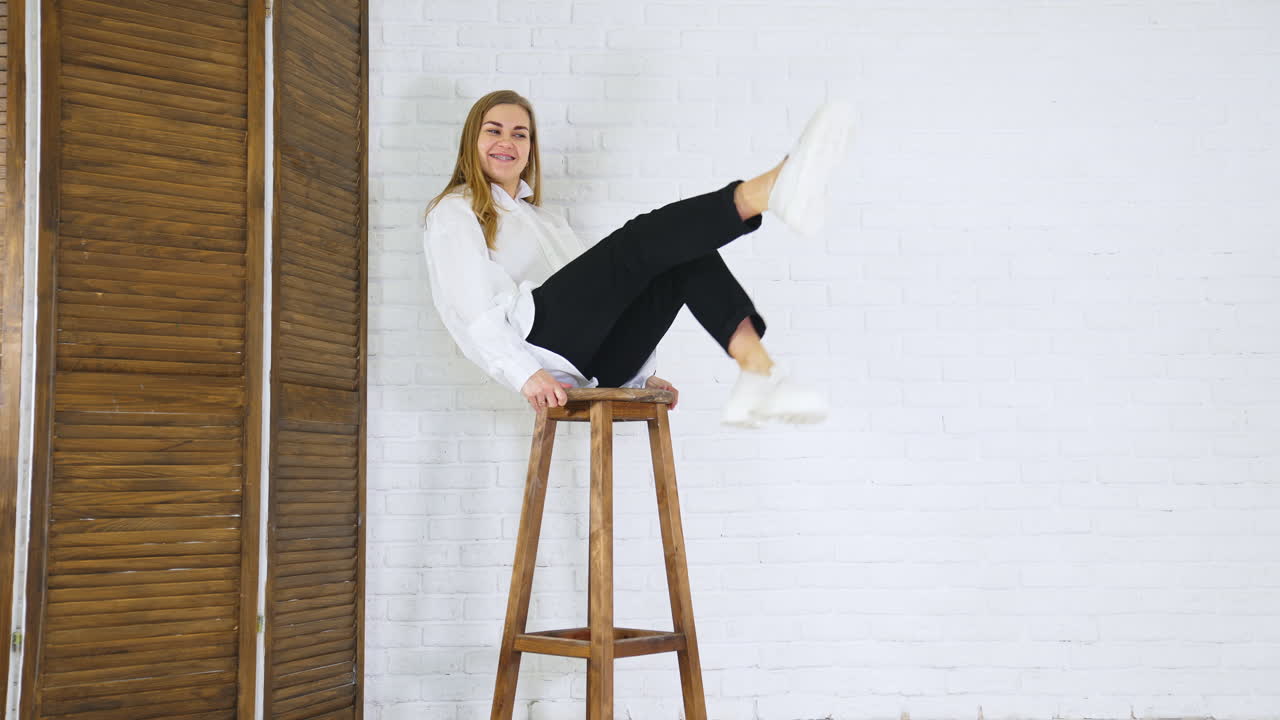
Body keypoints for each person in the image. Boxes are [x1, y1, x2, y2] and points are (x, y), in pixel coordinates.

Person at [422, 90, 851, 427]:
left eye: (520, 134)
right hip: (537, 348)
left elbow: (609, 300)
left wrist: (639, 377)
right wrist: (523, 375)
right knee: (642, 238)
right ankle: (767, 190)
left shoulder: (548, 222)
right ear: (472, 142)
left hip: (589, 364)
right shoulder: (454, 212)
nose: (507, 142)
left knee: (680, 254)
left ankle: (759, 373)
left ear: (531, 147)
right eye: (493, 131)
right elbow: (469, 311)